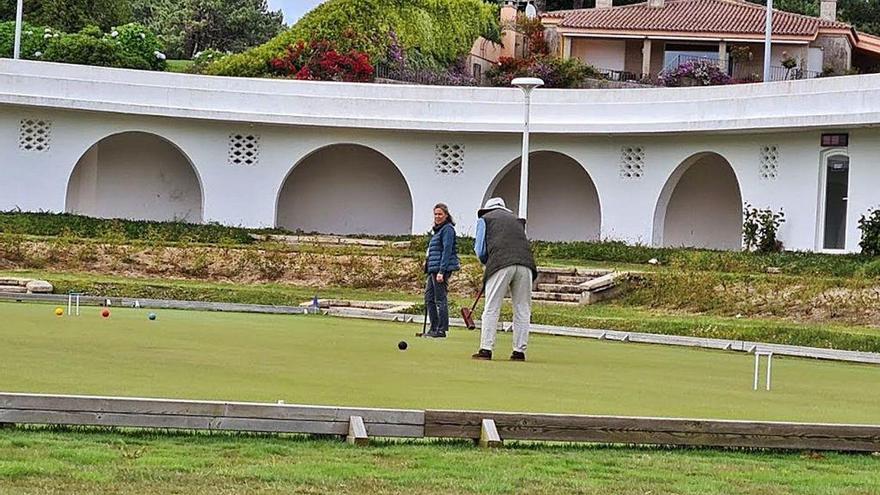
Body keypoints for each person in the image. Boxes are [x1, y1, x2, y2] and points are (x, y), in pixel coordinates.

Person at [472, 197, 537, 361]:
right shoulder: (517, 221)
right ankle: (519, 352)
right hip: (526, 264)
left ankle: (486, 349)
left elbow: (480, 250)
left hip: (500, 263)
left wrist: (487, 262)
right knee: (522, 308)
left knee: (492, 306)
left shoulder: (484, 219)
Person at [421, 203, 460, 338]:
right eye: (436, 214)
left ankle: (441, 329)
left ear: (446, 215)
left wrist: (442, 271)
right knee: (429, 298)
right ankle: (434, 327)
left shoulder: (448, 229)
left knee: (440, 299)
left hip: (440, 269)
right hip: (433, 268)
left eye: (440, 214)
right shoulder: (438, 231)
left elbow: (447, 250)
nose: (437, 216)